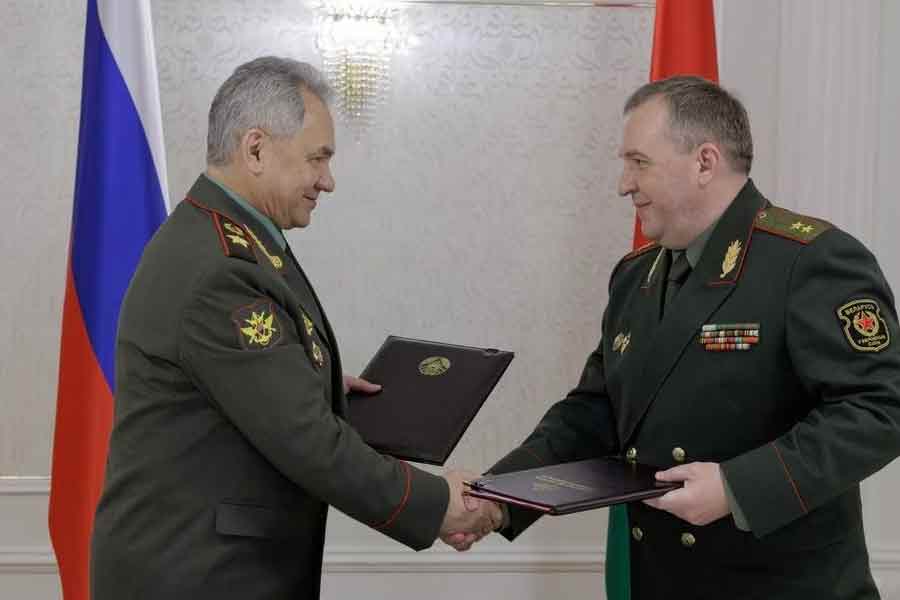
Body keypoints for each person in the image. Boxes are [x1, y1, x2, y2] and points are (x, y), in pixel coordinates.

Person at [471, 76, 900, 598]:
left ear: (704, 162)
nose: (623, 183)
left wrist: (739, 488)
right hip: (658, 578)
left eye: (639, 162)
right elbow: (593, 411)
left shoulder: (809, 260)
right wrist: (497, 497)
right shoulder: (634, 276)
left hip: (779, 584)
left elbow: (880, 408)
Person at [90, 56, 500, 599]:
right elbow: (303, 440)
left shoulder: (228, 240)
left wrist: (315, 380)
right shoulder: (219, 267)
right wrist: (436, 504)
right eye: (318, 158)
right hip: (199, 575)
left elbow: (248, 389)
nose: (327, 181)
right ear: (255, 149)